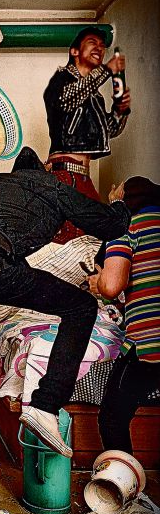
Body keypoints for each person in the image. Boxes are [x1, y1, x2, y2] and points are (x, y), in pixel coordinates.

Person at [0, 147, 130, 458]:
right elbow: (111, 226)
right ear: (43, 172)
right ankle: (45, 406)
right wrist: (119, 203)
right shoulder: (51, 187)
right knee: (81, 307)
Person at [88, 176, 160, 453]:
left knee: (112, 418)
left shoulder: (126, 226)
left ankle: (124, 478)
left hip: (148, 344)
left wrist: (98, 283)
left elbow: (111, 285)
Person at [44, 26, 131, 243]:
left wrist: (121, 109)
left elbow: (109, 130)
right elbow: (68, 100)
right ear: (74, 51)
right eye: (92, 42)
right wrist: (106, 71)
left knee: (92, 241)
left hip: (82, 177)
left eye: (102, 45)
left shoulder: (94, 96)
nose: (99, 48)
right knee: (66, 241)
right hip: (65, 174)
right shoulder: (61, 80)